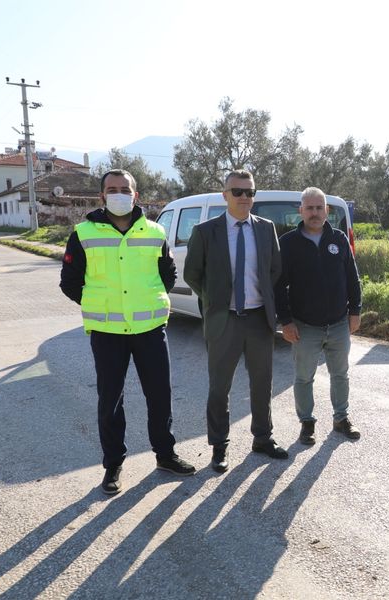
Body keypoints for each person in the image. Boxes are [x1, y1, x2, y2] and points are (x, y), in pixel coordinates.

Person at [59, 169, 196, 495]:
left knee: (160, 396)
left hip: (149, 328)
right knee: (110, 401)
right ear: (101, 196)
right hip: (107, 332)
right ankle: (113, 466)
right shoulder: (83, 233)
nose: (118, 193)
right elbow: (70, 282)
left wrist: (147, 302)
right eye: (112, 189)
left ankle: (165, 455)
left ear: (135, 195)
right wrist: (99, 303)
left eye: (125, 189)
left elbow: (168, 274)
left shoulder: (155, 232)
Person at [184, 169, 285, 473]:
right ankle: (219, 447)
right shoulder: (206, 231)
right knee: (219, 387)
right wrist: (214, 299)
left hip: (258, 320)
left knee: (262, 384)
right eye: (237, 191)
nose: (244, 197)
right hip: (223, 321)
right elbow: (192, 274)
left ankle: (263, 438)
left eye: (249, 192)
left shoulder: (266, 229)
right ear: (224, 195)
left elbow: (274, 271)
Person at [275, 187, 362, 445]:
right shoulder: (288, 244)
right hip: (304, 326)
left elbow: (352, 278)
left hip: (338, 323)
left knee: (341, 374)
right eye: (309, 208)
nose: (315, 213)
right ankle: (307, 423)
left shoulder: (339, 239)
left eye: (319, 208)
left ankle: (341, 418)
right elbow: (277, 285)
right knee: (304, 377)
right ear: (300, 211)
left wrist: (355, 311)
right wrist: (286, 321)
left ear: (327, 210)